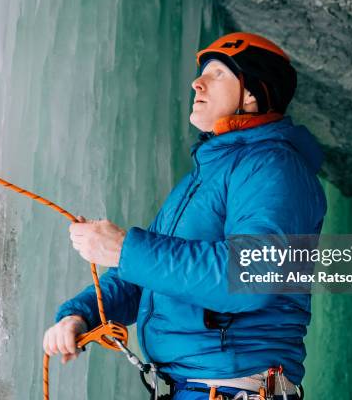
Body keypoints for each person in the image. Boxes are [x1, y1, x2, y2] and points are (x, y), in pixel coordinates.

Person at [43, 32, 327, 399]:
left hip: (233, 388)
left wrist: (124, 249)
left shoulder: (273, 167)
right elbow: (148, 277)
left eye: (219, 73)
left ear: (253, 94)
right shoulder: (204, 177)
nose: (197, 81)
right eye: (202, 72)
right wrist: (80, 314)